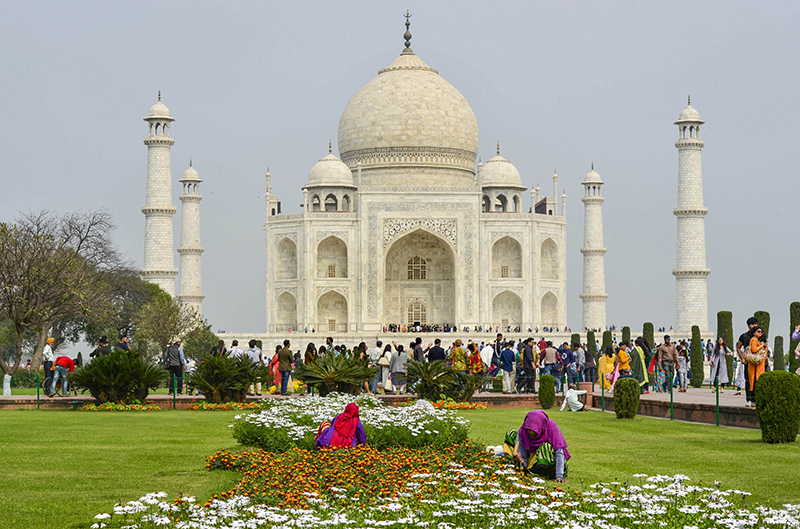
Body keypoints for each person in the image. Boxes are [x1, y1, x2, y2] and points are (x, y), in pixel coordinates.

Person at [512, 410, 570, 482]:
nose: (531, 432)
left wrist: (559, 476)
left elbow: (559, 452)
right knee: (511, 434)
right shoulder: (523, 431)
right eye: (529, 430)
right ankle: (535, 471)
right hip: (534, 462)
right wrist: (521, 462)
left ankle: (547, 473)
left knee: (545, 447)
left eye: (534, 431)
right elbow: (524, 457)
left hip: (553, 464)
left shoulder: (551, 427)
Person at [736, 317, 758, 404]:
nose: (754, 326)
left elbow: (766, 345)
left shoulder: (760, 335)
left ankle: (756, 400)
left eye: (755, 324)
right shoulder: (744, 336)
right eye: (752, 324)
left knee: (757, 381)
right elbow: (738, 347)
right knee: (749, 380)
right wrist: (742, 358)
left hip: (758, 362)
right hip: (748, 362)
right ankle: (749, 399)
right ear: (749, 326)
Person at [747, 327, 769, 408]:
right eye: (758, 331)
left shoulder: (758, 340)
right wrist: (762, 346)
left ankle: (755, 400)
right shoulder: (753, 340)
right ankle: (753, 400)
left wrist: (764, 347)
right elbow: (754, 349)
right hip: (755, 367)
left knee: (756, 382)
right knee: (754, 383)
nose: (760, 333)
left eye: (761, 331)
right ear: (754, 332)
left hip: (759, 366)